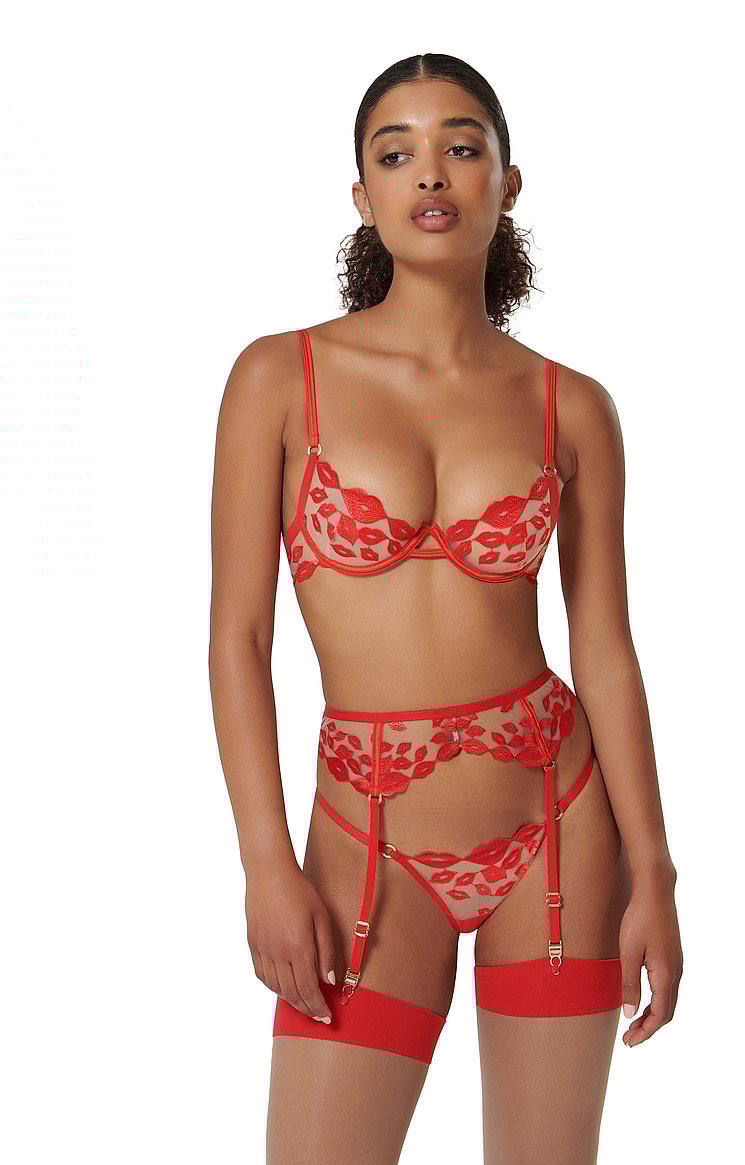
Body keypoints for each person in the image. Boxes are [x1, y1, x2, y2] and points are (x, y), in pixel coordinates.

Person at [209, 52, 682, 1165]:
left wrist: (656, 871)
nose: (430, 172)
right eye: (397, 152)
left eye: (461, 147)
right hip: (364, 843)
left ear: (506, 183)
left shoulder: (570, 405)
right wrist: (265, 863)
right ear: (362, 195)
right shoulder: (279, 379)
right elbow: (238, 637)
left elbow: (605, 651)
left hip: (558, 828)